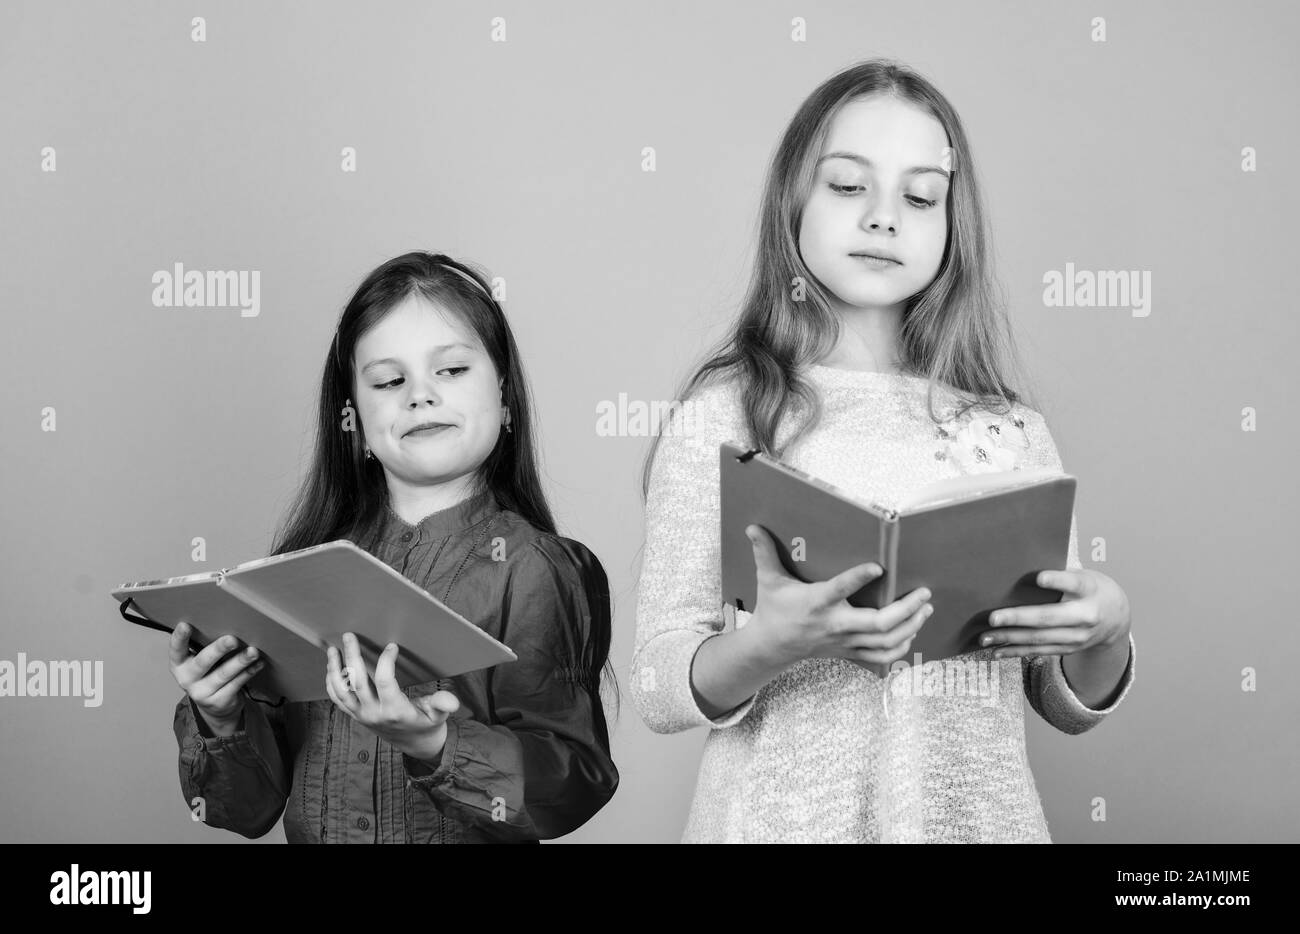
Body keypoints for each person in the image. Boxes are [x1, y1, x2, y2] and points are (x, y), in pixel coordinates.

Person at [630, 60, 1136, 843]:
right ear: (793, 201)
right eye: (847, 185)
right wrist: (766, 647)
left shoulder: (1012, 433)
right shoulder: (723, 415)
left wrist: (1106, 633)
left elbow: (1063, 699)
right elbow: (658, 683)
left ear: (952, 225)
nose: (883, 218)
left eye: (919, 197)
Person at [169, 251, 619, 843]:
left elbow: (573, 787)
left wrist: (434, 742)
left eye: (451, 370)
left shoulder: (534, 569)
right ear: (353, 416)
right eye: (388, 381)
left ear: (505, 396)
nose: (420, 395)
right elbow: (243, 812)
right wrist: (221, 716)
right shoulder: (305, 571)